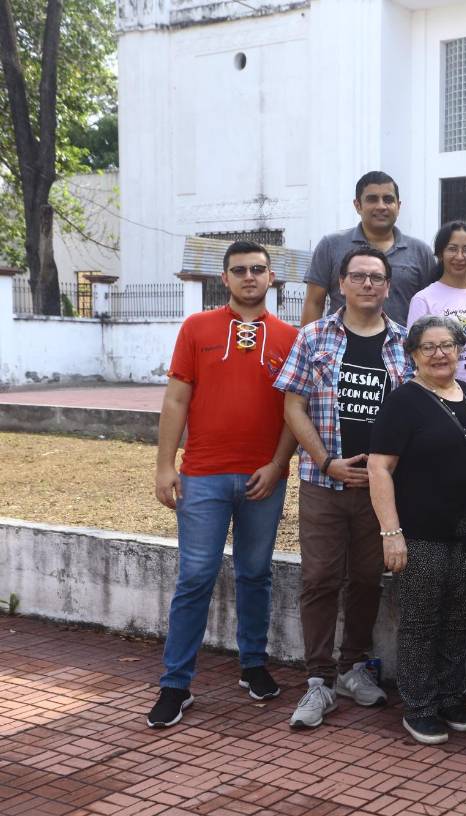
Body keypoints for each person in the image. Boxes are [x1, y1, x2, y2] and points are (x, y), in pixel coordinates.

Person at [146, 241, 299, 729]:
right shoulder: (196, 328)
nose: (249, 277)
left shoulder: (291, 337)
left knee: (256, 573)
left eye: (258, 269)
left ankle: (252, 665)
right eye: (240, 271)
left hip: (263, 479)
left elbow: (295, 412)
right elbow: (175, 401)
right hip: (204, 476)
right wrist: (165, 465)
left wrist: (277, 466)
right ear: (225, 278)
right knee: (195, 576)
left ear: (271, 277)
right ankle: (176, 684)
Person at [275, 247, 410, 729]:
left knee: (368, 580)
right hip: (322, 482)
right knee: (319, 579)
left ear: (388, 287)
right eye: (359, 276)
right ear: (342, 284)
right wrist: (327, 462)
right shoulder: (313, 337)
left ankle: (354, 666)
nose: (368, 284)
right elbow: (293, 407)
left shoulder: (403, 343)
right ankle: (318, 680)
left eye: (377, 277)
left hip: (379, 489)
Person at [368, 315, 466, 745]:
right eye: (428, 347)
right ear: (413, 354)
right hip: (422, 533)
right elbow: (379, 467)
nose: (439, 354)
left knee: (457, 616)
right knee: (421, 619)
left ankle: (451, 696)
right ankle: (420, 705)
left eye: (447, 344)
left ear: (461, 349)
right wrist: (390, 532)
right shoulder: (403, 402)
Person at [301, 170, 435, 326]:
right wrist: (308, 348)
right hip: (341, 346)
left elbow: (431, 307)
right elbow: (314, 302)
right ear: (358, 205)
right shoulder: (330, 246)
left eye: (388, 199)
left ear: (398, 206)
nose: (381, 206)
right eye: (372, 199)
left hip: (400, 348)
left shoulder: (420, 252)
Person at [406, 221, 466, 398]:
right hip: (442, 392)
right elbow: (415, 353)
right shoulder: (423, 299)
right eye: (452, 249)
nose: (459, 256)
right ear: (440, 253)